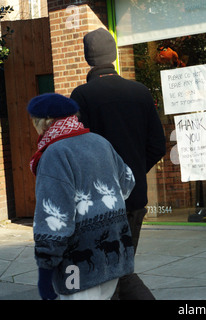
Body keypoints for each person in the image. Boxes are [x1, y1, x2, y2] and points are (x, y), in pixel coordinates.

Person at [70, 28, 166, 300]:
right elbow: (157, 145)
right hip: (134, 199)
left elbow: (77, 150)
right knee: (119, 267)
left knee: (114, 273)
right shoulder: (140, 92)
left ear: (88, 57)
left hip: (99, 202)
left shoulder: (82, 96)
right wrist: (130, 174)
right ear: (112, 55)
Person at [29, 93, 136, 300]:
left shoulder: (54, 153)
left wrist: (45, 274)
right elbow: (128, 182)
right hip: (111, 259)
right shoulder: (99, 142)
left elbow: (54, 221)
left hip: (76, 265)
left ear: (42, 122)